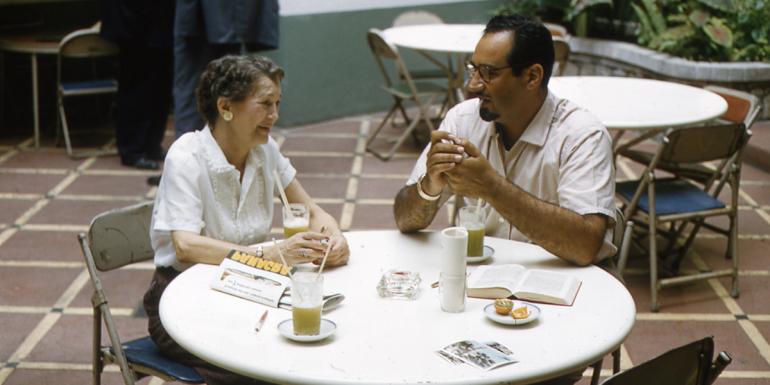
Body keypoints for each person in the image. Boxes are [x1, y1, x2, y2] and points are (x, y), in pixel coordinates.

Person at [393, 14, 615, 384]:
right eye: (472, 69)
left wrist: (491, 187)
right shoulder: (463, 120)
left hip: (557, 306)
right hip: (475, 296)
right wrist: (429, 185)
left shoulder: (581, 135)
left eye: (488, 73)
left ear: (532, 77)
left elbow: (585, 244)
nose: (472, 85)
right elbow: (405, 220)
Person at [143, 55, 349, 385]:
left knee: (312, 344)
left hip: (248, 290)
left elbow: (310, 210)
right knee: (264, 365)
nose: (275, 115)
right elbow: (185, 246)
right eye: (265, 104)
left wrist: (334, 237)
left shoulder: (264, 150)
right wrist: (272, 253)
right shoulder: (187, 155)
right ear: (225, 107)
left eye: (277, 103)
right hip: (182, 299)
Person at [173, 0, 279, 139]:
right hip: (227, 16)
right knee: (220, 88)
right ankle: (194, 150)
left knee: (198, 86)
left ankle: (194, 149)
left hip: (211, 16)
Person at [100, 0, 174, 170]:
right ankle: (132, 150)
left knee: (160, 86)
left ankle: (151, 144)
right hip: (133, 24)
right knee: (135, 86)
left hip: (157, 21)